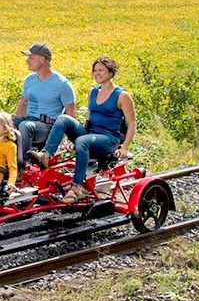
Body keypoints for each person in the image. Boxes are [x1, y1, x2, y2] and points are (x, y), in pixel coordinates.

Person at [27, 55, 136, 204]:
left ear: (111, 72)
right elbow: (89, 119)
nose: (97, 73)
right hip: (90, 136)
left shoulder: (122, 96)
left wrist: (124, 147)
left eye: (101, 70)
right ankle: (45, 155)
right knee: (63, 119)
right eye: (95, 70)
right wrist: (73, 139)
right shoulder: (93, 92)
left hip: (109, 139)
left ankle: (77, 187)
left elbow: (132, 123)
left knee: (83, 141)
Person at [0, 42, 76, 167]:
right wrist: (11, 124)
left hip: (47, 127)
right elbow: (23, 104)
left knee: (25, 126)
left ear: (42, 59)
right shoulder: (30, 80)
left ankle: (20, 167)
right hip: (28, 121)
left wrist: (64, 138)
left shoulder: (62, 84)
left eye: (31, 57)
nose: (27, 61)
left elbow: (70, 114)